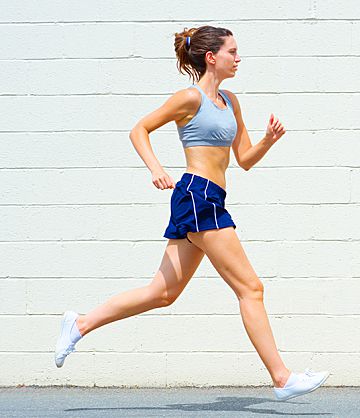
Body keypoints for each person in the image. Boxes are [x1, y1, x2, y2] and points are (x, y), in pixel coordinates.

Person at [54, 25, 329, 402]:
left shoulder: (231, 101)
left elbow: (244, 160)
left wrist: (267, 139)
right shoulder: (189, 98)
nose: (238, 58)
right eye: (232, 51)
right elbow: (140, 129)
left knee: (162, 293)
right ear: (211, 57)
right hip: (198, 196)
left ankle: (80, 324)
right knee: (251, 288)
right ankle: (281, 378)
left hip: (209, 198)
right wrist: (156, 168)